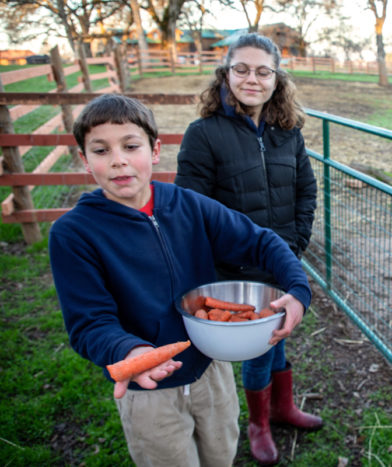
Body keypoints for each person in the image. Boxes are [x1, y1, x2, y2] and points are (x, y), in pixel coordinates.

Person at [48, 93, 312, 467]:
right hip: (148, 386)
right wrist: (130, 352)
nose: (119, 159)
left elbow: (262, 241)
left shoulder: (188, 204)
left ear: (155, 151)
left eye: (130, 146)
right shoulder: (74, 234)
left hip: (211, 369)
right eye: (101, 150)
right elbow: (89, 323)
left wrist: (298, 291)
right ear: (84, 159)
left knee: (221, 455)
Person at [174, 32, 320, 465]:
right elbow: (192, 209)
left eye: (263, 71)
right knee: (263, 341)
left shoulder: (287, 133)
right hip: (236, 268)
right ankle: (260, 422)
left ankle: (281, 408)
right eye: (242, 69)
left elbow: (305, 191)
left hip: (282, 258)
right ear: (226, 72)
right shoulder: (204, 135)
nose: (252, 78)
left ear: (276, 79)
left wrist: (293, 245)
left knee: (280, 335)